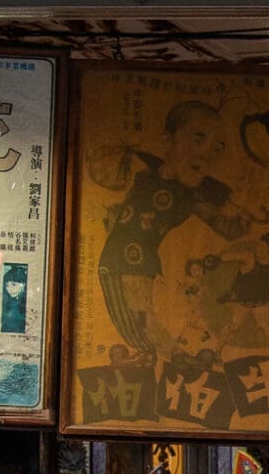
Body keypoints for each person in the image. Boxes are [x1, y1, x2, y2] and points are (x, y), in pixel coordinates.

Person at [94, 98, 255, 355]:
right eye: (198, 140)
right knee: (141, 327)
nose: (205, 155)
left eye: (216, 148)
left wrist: (242, 223)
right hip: (119, 260)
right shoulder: (140, 167)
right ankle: (175, 359)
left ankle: (177, 360)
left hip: (144, 265)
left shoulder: (191, 197)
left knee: (145, 330)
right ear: (168, 141)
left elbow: (224, 226)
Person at [0, 265, 28, 334]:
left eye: (14, 284)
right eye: (7, 285)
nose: (10, 289)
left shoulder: (28, 302)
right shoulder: (7, 301)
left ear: (23, 284)